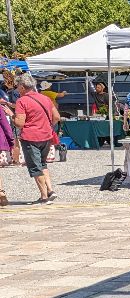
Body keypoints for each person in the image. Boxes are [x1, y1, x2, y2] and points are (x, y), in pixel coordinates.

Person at [13, 74, 59, 204]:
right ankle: (50, 190)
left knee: (35, 167)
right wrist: (47, 126)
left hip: (30, 137)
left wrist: (12, 115)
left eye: (17, 87)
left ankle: (44, 197)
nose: (17, 89)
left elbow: (20, 123)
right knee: (42, 164)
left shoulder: (21, 101)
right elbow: (56, 117)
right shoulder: (45, 98)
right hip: (46, 136)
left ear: (22, 87)